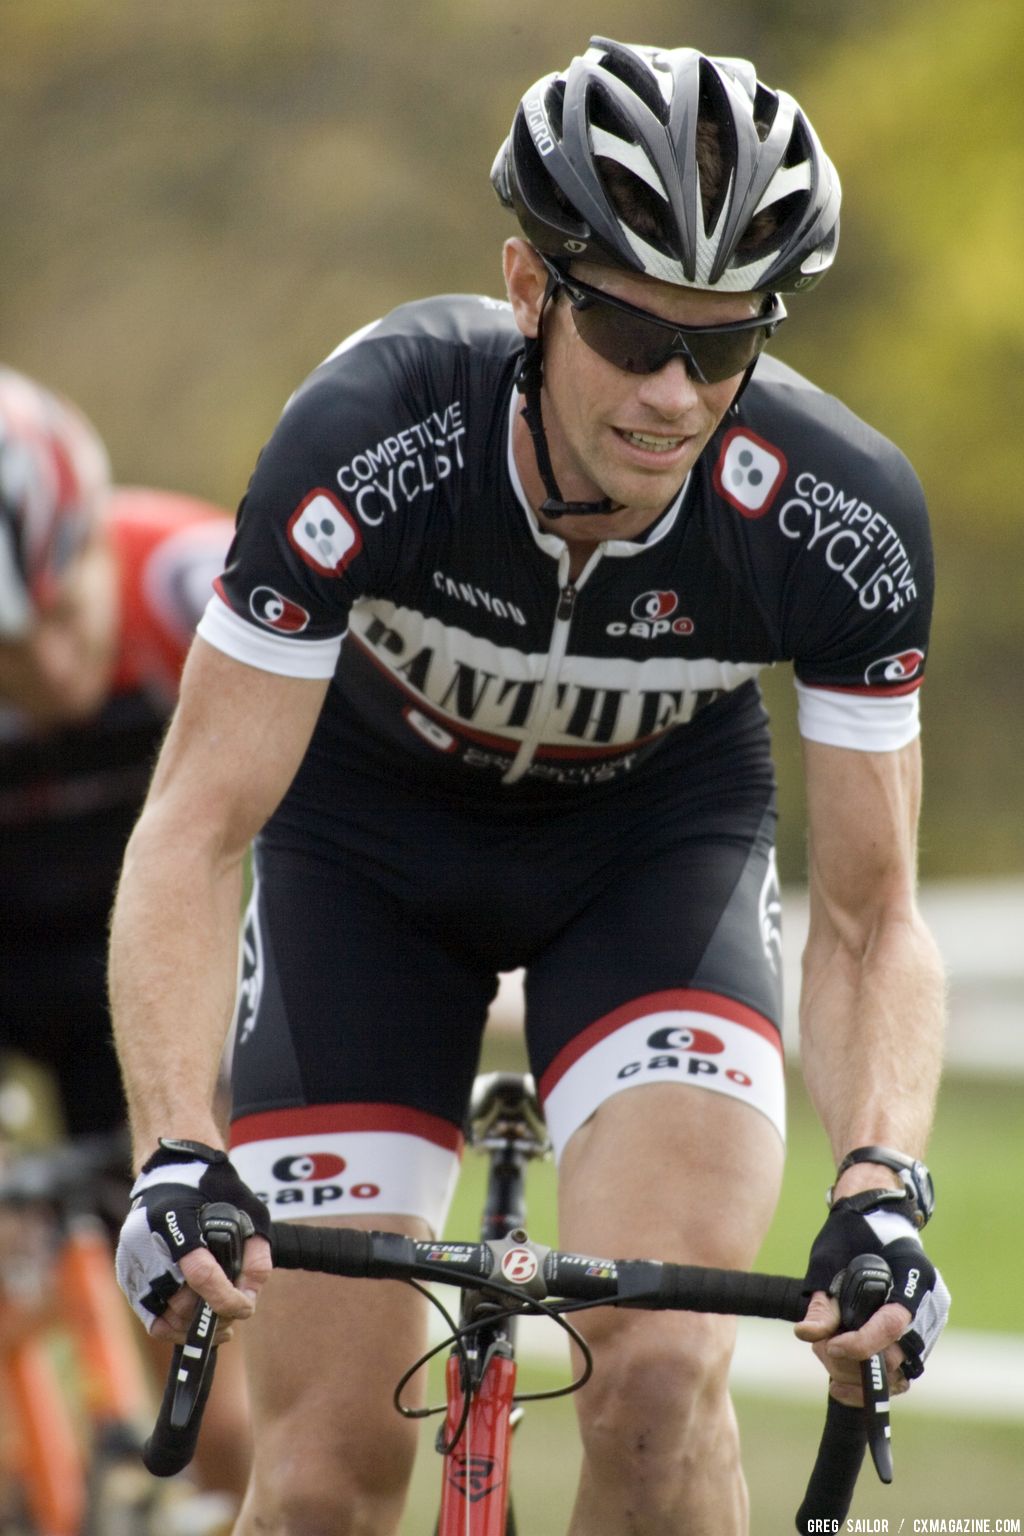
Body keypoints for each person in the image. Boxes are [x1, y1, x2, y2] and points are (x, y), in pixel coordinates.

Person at [111, 38, 950, 1536]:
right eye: (631, 332)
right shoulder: (371, 436)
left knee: (661, 1385)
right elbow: (195, 827)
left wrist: (883, 1179)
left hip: (652, 858)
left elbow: (876, 919)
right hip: (364, 859)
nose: (676, 393)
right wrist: (180, 1149)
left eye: (723, 344)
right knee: (317, 1475)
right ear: (527, 288)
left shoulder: (840, 519)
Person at [0, 365, 252, 1520]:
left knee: (224, 1372)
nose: (44, 674)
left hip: (146, 982)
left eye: (54, 618)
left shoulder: (193, 578)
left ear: (98, 541)